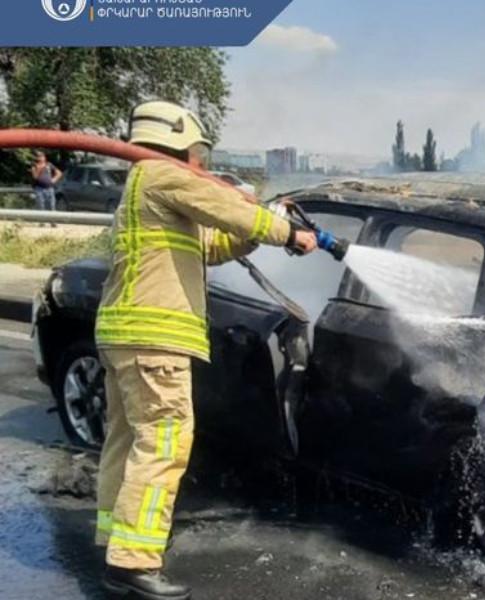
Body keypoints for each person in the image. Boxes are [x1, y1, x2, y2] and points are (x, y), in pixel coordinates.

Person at [94, 100, 317, 600]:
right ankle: (133, 562)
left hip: (125, 336)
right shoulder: (163, 174)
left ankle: (117, 541)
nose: (201, 162)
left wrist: (258, 231)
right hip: (154, 341)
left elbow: (212, 244)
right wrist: (287, 231)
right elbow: (230, 210)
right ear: (176, 142)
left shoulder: (142, 186)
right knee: (163, 444)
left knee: (126, 441)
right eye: (198, 151)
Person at [30, 151, 62, 218]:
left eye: (41, 156)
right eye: (38, 156)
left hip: (49, 188)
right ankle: (42, 220)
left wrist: (53, 180)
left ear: (44, 157)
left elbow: (59, 173)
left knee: (51, 205)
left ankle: (52, 220)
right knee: (41, 206)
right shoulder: (34, 166)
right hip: (39, 189)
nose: (40, 158)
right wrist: (39, 168)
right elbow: (35, 177)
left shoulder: (49, 165)